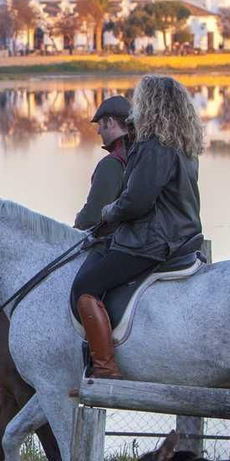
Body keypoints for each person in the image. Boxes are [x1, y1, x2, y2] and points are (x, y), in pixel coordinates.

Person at [70, 75, 205, 379]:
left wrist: (109, 211)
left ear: (152, 105)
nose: (136, 109)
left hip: (154, 241)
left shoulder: (155, 145)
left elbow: (137, 201)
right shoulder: (184, 144)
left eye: (141, 100)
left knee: (85, 286)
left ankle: (105, 368)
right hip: (184, 236)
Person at [74, 94, 133, 231]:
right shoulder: (143, 152)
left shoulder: (111, 164)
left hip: (116, 243)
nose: (98, 131)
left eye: (100, 125)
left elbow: (91, 219)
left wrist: (78, 219)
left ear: (111, 123)